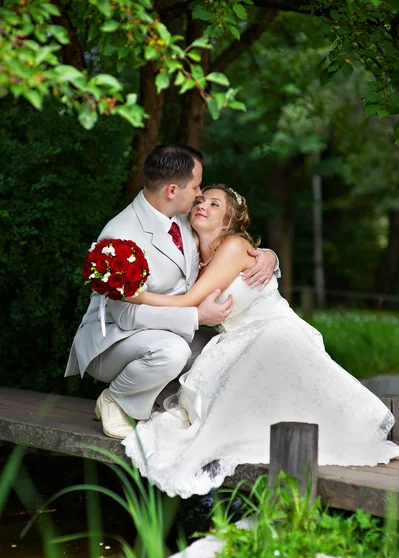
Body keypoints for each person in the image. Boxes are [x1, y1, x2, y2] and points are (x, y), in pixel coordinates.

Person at [121, 184, 399, 499]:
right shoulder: (192, 257)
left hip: (276, 330)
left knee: (268, 345)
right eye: (200, 200)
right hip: (233, 342)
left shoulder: (233, 246)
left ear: (226, 223)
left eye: (215, 204)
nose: (202, 205)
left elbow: (190, 301)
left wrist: (133, 295)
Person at [65, 145, 279, 439]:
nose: (199, 194)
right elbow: (127, 315)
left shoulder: (183, 218)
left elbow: (222, 246)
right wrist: (195, 317)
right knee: (173, 351)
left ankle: (162, 405)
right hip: (115, 339)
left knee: (225, 353)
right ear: (172, 190)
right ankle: (116, 398)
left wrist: (267, 255)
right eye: (195, 187)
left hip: (165, 329)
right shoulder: (121, 236)